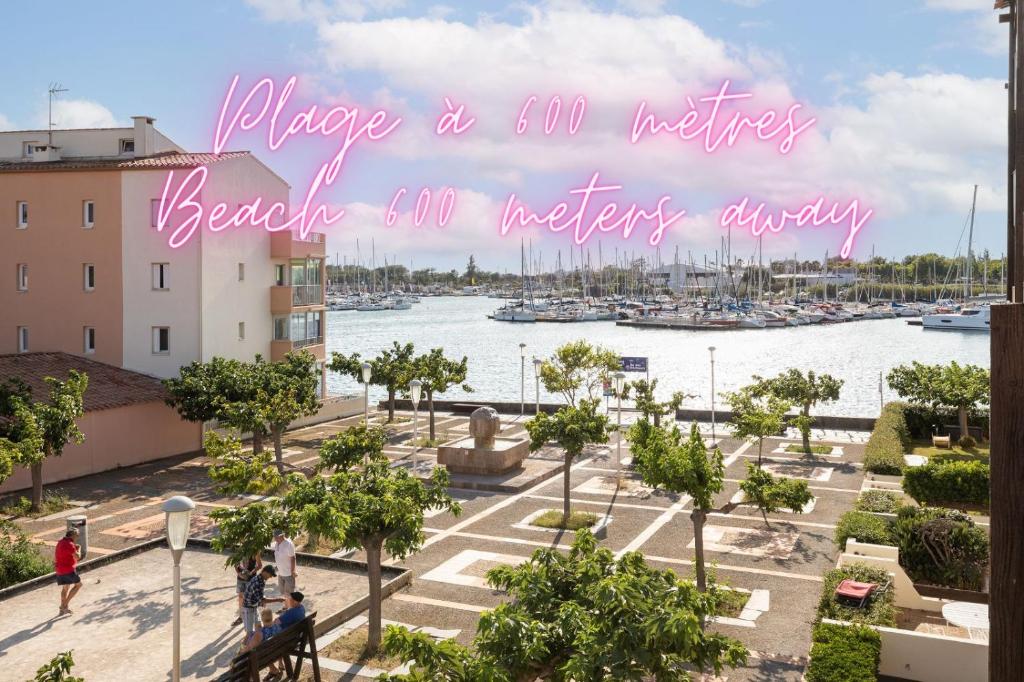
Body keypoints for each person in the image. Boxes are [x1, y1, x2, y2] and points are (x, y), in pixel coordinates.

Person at [240, 564, 284, 640]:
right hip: (248, 608)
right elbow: (262, 599)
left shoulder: (261, 580)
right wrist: (278, 600)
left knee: (259, 628)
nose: (270, 577)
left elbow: (260, 598)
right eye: (270, 575)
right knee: (249, 633)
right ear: (265, 572)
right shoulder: (257, 582)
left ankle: (256, 645)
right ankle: (243, 650)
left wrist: (262, 602)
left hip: (254, 606)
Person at [55, 528, 82, 615]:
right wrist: (79, 548)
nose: (77, 537)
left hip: (59, 569)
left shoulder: (60, 542)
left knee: (65, 588)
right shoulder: (70, 544)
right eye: (77, 535)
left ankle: (63, 609)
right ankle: (64, 605)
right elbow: (77, 557)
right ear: (73, 535)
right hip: (68, 569)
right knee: (78, 585)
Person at [231, 552, 263, 626]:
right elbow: (235, 563)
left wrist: (251, 573)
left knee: (251, 599)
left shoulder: (255, 551)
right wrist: (239, 574)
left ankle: (254, 618)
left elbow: (259, 565)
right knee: (240, 597)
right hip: (240, 579)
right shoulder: (239, 550)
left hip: (250, 579)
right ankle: (241, 617)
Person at [272, 530, 297, 596]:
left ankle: (290, 606)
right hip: (280, 574)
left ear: (282, 536)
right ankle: (286, 606)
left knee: (289, 594)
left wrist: (293, 571)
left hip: (288, 574)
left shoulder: (288, 544)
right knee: (283, 593)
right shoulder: (277, 544)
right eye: (274, 537)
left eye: (277, 537)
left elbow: (293, 558)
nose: (275, 539)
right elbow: (278, 557)